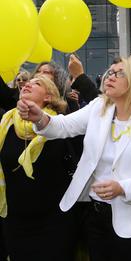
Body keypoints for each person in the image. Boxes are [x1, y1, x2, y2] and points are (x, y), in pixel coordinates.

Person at [17, 56, 131, 261]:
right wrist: (41, 118)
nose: (110, 76)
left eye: (119, 73)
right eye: (110, 71)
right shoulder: (100, 107)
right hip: (95, 215)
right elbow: (64, 126)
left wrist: (122, 187)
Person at [0, 76, 77, 261]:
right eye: (27, 82)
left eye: (37, 83)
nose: (27, 84)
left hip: (54, 223)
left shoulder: (61, 126)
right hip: (15, 221)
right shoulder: (5, 124)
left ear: (48, 97)